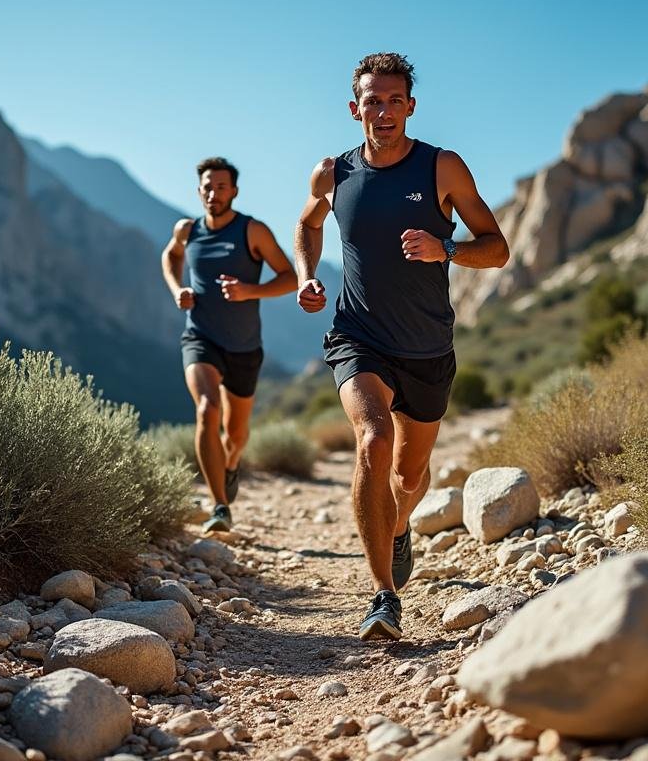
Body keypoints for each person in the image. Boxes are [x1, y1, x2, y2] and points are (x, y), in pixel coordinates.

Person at [293, 54, 509, 640]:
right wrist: (307, 274)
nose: (382, 111)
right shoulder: (332, 173)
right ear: (354, 107)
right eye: (372, 100)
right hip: (358, 336)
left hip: (427, 347)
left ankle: (397, 526)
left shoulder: (443, 169)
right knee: (373, 440)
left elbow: (497, 247)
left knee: (410, 477)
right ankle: (383, 596)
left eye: (394, 100)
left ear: (410, 106)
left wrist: (450, 251)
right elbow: (308, 224)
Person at [162, 157, 297, 532]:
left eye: (221, 187)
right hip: (200, 336)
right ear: (198, 190)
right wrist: (178, 290)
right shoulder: (187, 231)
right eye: (207, 186)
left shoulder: (252, 231)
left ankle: (232, 463)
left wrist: (249, 291)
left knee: (235, 437)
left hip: (244, 347)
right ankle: (220, 504)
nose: (213, 193)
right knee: (207, 409)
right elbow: (170, 257)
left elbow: (289, 277)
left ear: (234, 191)